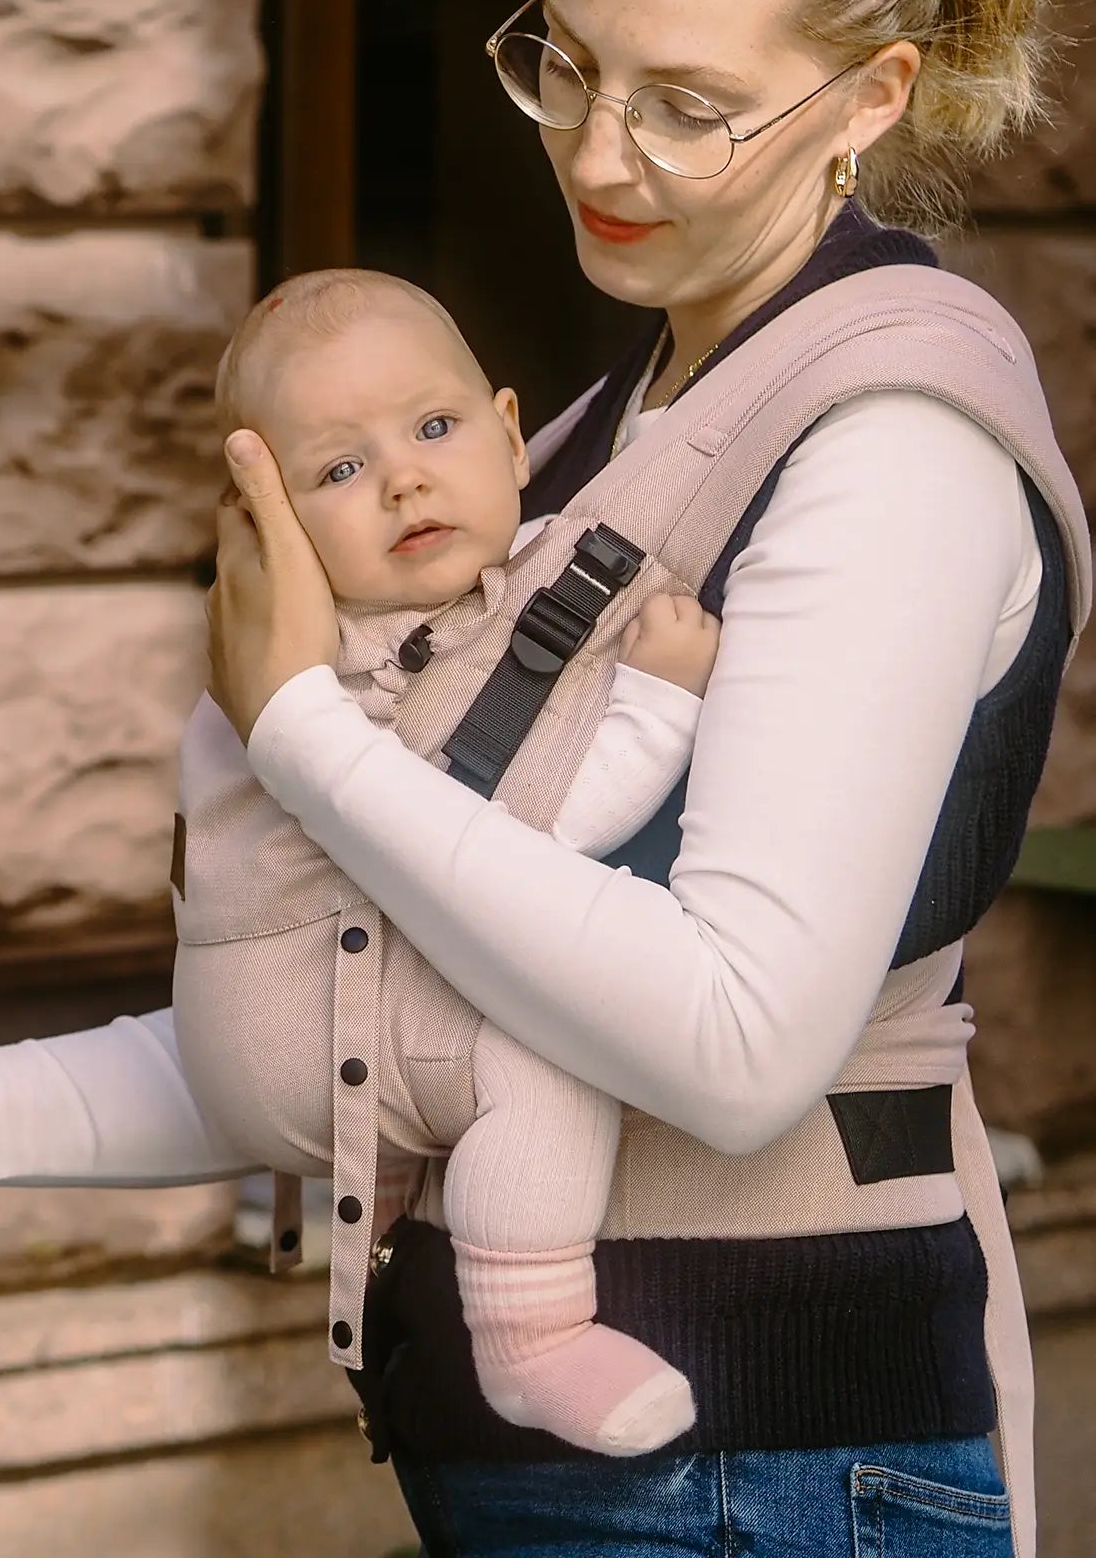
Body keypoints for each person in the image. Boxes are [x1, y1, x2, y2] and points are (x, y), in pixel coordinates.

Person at [0, 0, 1091, 1557]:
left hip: (757, 1470)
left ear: (869, 97)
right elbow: (372, 989)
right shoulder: (600, 441)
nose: (598, 150)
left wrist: (299, 726)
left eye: (689, 102)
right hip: (630, 1478)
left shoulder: (890, 450)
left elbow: (737, 1036)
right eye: (570, 62)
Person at [174, 265, 720, 1456]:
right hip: (320, 1026)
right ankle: (529, 1340)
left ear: (514, 433)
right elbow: (517, 853)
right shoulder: (333, 669)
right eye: (337, 469)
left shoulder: (309, 643)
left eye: (432, 427)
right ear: (268, 523)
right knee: (550, 1037)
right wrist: (655, 706)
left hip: (258, 1036)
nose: (404, 477)